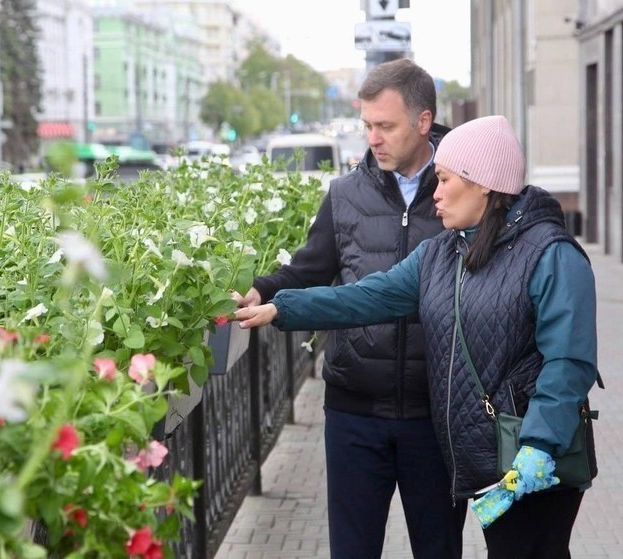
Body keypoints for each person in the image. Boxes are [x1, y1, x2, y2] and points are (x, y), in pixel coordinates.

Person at [234, 115, 599, 559]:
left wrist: (539, 445)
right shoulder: (443, 252)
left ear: (483, 183)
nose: (436, 194)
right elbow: (366, 298)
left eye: (444, 181)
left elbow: (568, 362)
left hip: (534, 460)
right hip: (486, 460)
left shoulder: (551, 253)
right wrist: (281, 307)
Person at [233, 58, 465, 559]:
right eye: (367, 126)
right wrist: (263, 290)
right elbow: (309, 270)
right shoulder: (345, 195)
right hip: (354, 411)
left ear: (423, 122)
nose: (373, 138)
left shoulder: (462, 190)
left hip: (437, 413)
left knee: (440, 549)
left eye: (386, 126)